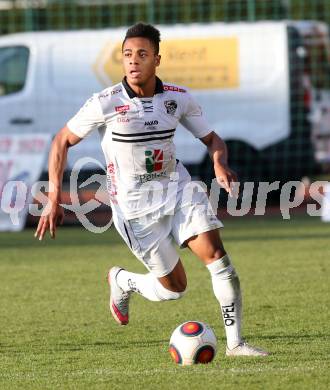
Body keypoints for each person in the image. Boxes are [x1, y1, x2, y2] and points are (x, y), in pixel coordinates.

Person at [35, 22, 269, 357]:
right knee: (175, 289)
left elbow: (212, 139)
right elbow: (61, 142)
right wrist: (54, 196)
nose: (133, 61)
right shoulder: (105, 102)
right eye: (127, 55)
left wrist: (218, 161)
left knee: (219, 260)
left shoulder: (177, 98)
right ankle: (123, 281)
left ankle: (236, 344)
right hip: (135, 210)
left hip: (178, 189)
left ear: (157, 60)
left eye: (142, 54)